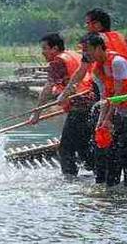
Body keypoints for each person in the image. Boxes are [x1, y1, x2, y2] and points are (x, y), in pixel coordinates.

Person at [84, 33, 127, 187]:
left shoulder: (117, 62)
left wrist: (107, 119)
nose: (86, 54)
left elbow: (118, 94)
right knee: (113, 152)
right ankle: (112, 188)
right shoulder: (99, 68)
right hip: (121, 113)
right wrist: (100, 122)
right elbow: (106, 97)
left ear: (99, 48)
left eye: (89, 50)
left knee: (124, 149)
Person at [27, 33, 95, 176]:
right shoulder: (74, 55)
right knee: (83, 146)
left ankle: (70, 181)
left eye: (45, 48)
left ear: (55, 48)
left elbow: (47, 88)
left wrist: (37, 113)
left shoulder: (57, 62)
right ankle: (98, 175)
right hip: (91, 103)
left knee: (65, 149)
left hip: (79, 107)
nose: (42, 52)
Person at [59, 8, 127, 102]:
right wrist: (126, 76)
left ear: (98, 25)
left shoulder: (93, 43)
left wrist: (64, 94)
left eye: (88, 23)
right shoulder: (119, 38)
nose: (86, 26)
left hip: (107, 90)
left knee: (105, 112)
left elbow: (81, 71)